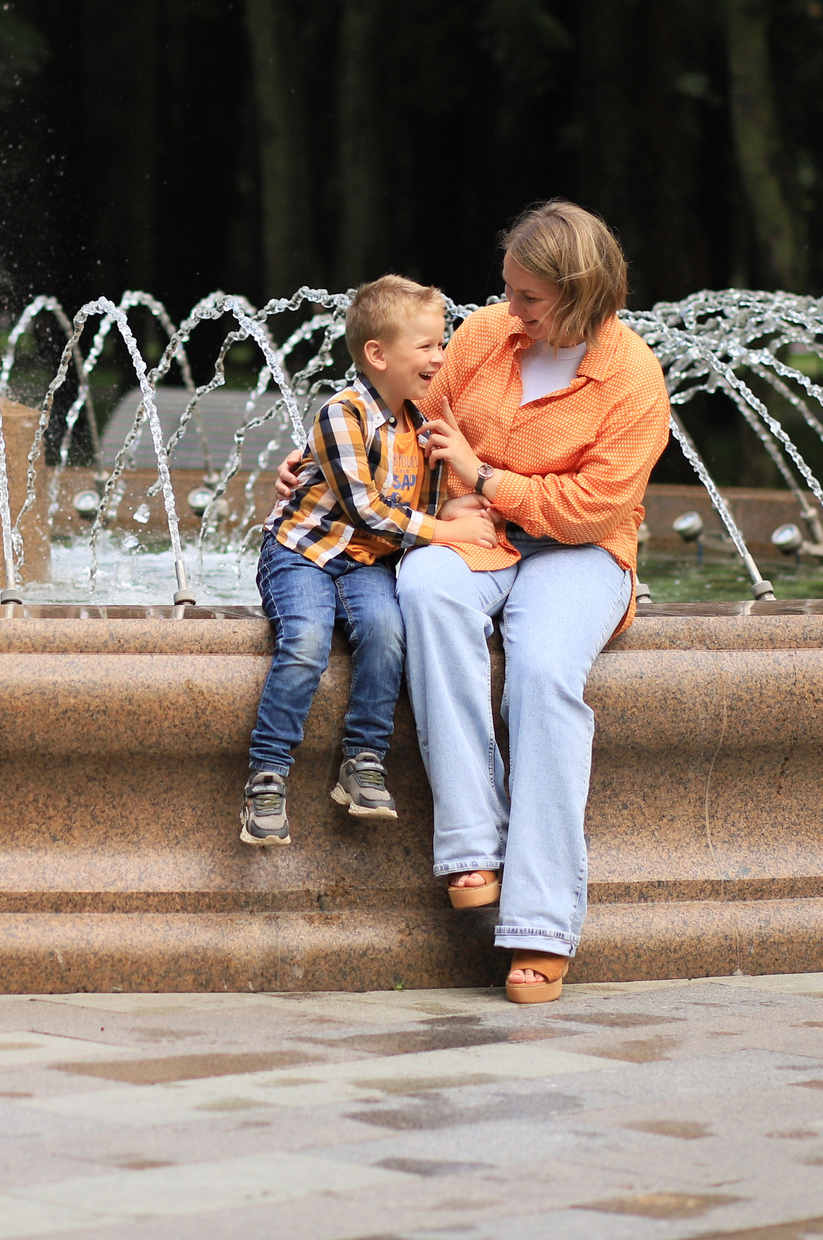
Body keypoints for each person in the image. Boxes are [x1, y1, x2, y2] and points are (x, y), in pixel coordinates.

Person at [274, 202, 668, 1005]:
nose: (507, 310)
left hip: (580, 550)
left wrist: (488, 482)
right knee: (423, 584)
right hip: (478, 528)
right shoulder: (490, 336)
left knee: (544, 673)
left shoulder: (632, 377)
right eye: (509, 291)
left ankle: (541, 922)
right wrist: (323, 460)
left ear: (578, 291)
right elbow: (411, 413)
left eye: (527, 297)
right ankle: (469, 842)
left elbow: (594, 506)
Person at [241, 274, 491, 847]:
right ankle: (268, 773)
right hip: (304, 552)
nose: (441, 355)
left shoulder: (423, 422)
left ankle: (363, 761)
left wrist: (457, 502)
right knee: (304, 642)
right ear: (377, 354)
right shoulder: (343, 414)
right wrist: (450, 531)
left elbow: (418, 500)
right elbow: (369, 510)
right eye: (427, 345)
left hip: (367, 565)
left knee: (386, 632)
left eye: (443, 342)